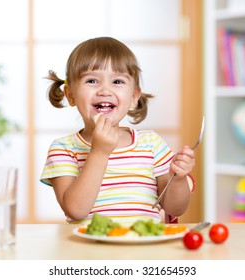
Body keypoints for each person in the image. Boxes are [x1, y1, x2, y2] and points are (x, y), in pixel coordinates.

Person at [40, 37, 195, 225]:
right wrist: (99, 152)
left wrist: (178, 179)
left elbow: (175, 208)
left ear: (133, 97)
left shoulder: (151, 143)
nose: (105, 90)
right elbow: (75, 210)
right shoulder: (63, 149)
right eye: (92, 80)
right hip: (90, 249)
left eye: (118, 81)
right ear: (71, 95)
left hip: (143, 246)